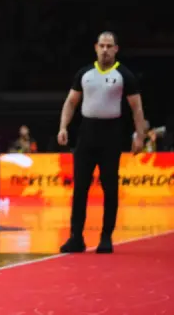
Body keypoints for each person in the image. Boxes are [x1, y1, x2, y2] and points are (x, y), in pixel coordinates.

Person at [57, 31, 147, 254]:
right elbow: (71, 102)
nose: (105, 50)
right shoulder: (85, 73)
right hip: (86, 134)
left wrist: (140, 136)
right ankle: (76, 238)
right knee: (80, 188)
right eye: (102, 46)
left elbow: (137, 108)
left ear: (116, 49)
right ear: (96, 47)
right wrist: (63, 127)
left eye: (109, 46)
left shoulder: (124, 75)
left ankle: (106, 237)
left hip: (111, 135)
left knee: (110, 187)